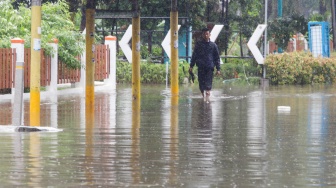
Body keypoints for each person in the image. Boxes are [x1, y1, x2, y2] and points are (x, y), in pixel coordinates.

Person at [189, 27, 221, 102]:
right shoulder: (198, 45)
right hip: (200, 67)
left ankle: (207, 99)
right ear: (202, 35)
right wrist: (191, 66)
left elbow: (217, 57)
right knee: (201, 85)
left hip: (210, 68)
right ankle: (204, 98)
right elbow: (194, 55)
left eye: (207, 34)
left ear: (209, 35)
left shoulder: (213, 46)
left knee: (208, 85)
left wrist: (218, 68)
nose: (206, 36)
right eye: (204, 34)